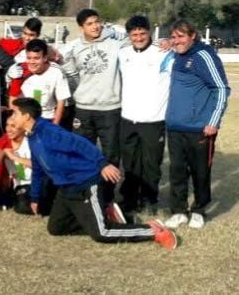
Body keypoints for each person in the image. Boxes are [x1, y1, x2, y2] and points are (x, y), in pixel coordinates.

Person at [10, 98, 177, 249]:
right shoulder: (32, 136)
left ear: (27, 116)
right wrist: (35, 197)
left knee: (101, 233)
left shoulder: (49, 132)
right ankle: (105, 218)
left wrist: (102, 164)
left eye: (15, 113)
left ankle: (152, 231)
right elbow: (38, 169)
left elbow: (81, 143)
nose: (12, 117)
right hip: (65, 189)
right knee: (56, 228)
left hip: (85, 184)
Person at [164, 19, 230, 230]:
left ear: (193, 35)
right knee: (177, 171)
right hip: (175, 126)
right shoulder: (176, 55)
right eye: (173, 37)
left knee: (200, 172)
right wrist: (168, 43)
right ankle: (179, 211)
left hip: (200, 128)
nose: (177, 41)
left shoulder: (203, 55)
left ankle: (199, 210)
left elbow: (220, 89)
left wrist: (213, 122)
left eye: (181, 36)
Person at [61, 9, 126, 202]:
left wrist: (165, 42)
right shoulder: (74, 49)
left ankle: (106, 198)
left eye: (97, 22)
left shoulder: (116, 44)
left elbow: (140, 41)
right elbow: (71, 76)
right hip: (84, 109)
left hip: (110, 108)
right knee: (82, 153)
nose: (95, 26)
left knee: (111, 155)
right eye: (89, 24)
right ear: (81, 28)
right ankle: (86, 194)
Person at [117, 16, 173, 218]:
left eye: (142, 33)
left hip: (154, 120)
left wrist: (171, 41)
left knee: (151, 164)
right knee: (130, 164)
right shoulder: (122, 53)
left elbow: (188, 46)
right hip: (128, 118)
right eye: (134, 34)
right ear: (129, 35)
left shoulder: (164, 52)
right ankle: (129, 199)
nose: (139, 37)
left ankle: (150, 200)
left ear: (149, 32)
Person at [15, 39, 71, 125]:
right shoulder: (21, 70)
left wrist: (54, 126)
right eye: (29, 58)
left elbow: (61, 102)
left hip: (47, 119)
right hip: (26, 118)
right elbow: (16, 96)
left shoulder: (56, 72)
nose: (32, 62)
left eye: (36, 58)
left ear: (45, 58)